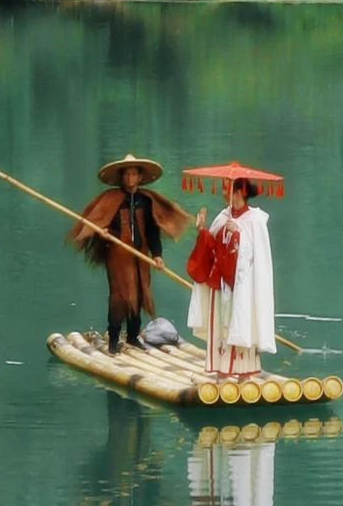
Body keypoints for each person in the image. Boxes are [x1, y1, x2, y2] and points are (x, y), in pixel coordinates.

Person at [70, 152, 193, 354]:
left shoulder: (146, 201)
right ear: (121, 177)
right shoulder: (110, 199)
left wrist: (158, 255)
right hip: (118, 255)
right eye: (126, 174)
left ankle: (134, 337)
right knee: (120, 296)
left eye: (133, 174)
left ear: (140, 177)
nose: (129, 178)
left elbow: (153, 231)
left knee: (140, 291)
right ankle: (114, 340)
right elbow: (97, 225)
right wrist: (103, 233)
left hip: (141, 255)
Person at [188, 175, 277, 376]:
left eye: (226, 189)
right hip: (220, 283)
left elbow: (255, 257)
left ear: (238, 193)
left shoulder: (254, 221)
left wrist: (238, 234)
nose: (223, 193)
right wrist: (202, 230)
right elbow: (214, 250)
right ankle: (221, 372)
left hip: (242, 287)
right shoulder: (224, 216)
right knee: (220, 325)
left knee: (241, 321)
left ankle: (244, 375)